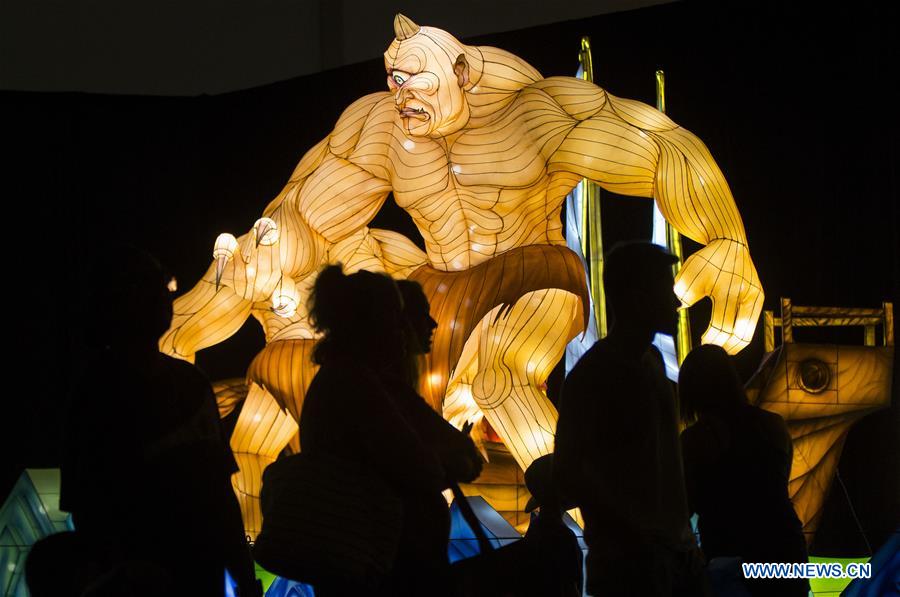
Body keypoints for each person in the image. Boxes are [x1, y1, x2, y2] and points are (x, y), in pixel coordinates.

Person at [165, 12, 763, 482]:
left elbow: (662, 146)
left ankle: (576, 516)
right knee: (322, 262)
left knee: (502, 375)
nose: (401, 96)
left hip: (531, 272)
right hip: (440, 284)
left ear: (462, 74)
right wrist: (251, 271)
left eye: (415, 81)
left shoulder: (533, 114)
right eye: (392, 80)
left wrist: (726, 238)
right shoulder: (384, 127)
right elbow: (300, 211)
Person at [58, 246, 260, 597]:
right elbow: (218, 493)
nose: (167, 298)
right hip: (167, 571)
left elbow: (83, 503)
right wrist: (243, 575)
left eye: (165, 288)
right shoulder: (177, 385)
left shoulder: (95, 388)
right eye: (156, 289)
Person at [299, 266, 472, 596]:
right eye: (397, 317)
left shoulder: (343, 380)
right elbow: (416, 464)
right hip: (383, 573)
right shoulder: (359, 386)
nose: (403, 329)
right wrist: (444, 463)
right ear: (373, 323)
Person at [554, 242, 707, 597]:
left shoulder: (643, 364)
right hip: (635, 570)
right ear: (637, 297)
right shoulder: (598, 377)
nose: (676, 302)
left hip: (667, 561)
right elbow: (569, 475)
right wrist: (643, 535)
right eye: (664, 290)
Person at [679, 345, 809, 597]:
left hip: (732, 563)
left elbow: (683, 506)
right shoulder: (774, 426)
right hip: (787, 551)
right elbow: (779, 485)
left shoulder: (698, 439)